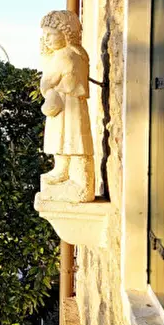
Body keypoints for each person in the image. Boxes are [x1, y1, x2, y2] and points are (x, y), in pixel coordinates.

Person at [38, 10, 95, 202]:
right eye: (44, 35)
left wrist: (46, 59)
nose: (46, 39)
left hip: (67, 106)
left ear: (66, 33)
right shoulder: (76, 53)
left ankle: (74, 180)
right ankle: (63, 170)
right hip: (68, 105)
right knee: (66, 139)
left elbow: (46, 82)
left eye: (50, 34)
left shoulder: (65, 56)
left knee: (69, 138)